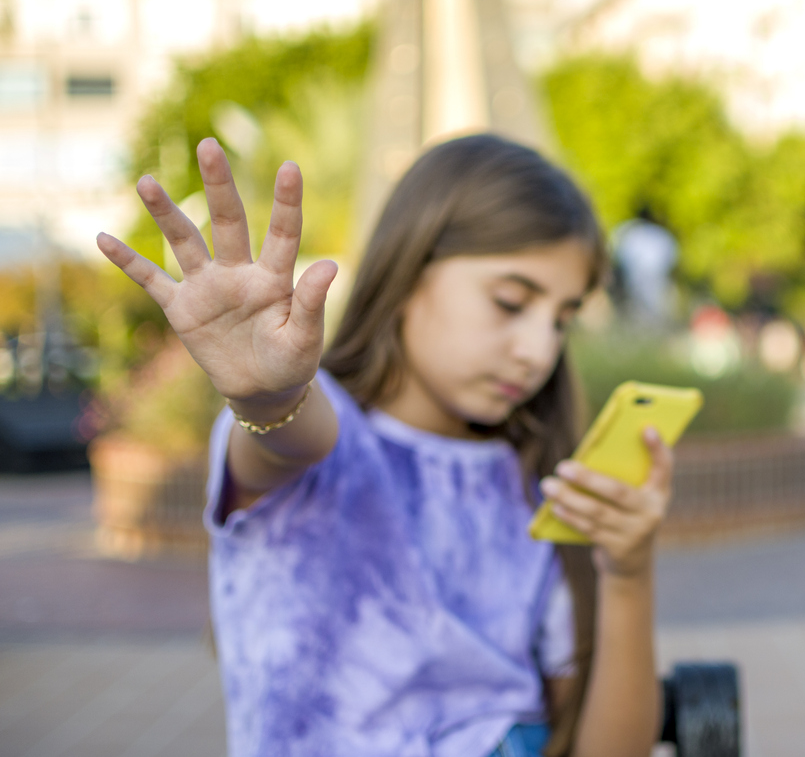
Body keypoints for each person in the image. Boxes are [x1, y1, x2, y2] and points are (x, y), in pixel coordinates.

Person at [96, 134, 672, 757]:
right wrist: (265, 395)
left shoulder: (536, 481)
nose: (538, 350)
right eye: (510, 302)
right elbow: (290, 435)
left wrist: (628, 572)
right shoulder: (319, 433)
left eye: (562, 319)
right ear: (409, 269)